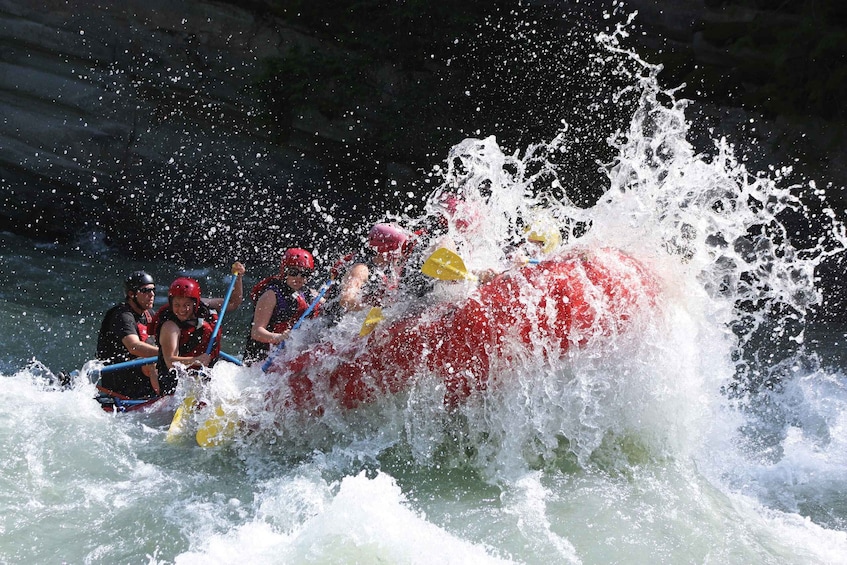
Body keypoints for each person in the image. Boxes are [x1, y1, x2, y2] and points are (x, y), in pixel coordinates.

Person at [155, 262, 245, 392]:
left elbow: (233, 303)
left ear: (195, 303)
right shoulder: (170, 326)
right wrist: (196, 360)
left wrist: (239, 278)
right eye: (177, 304)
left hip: (206, 376)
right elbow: (170, 362)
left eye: (186, 305)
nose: (181, 309)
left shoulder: (204, 307)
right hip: (177, 386)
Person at [242, 248, 320, 365]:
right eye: (293, 272)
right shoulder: (271, 295)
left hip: (287, 358)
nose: (299, 277)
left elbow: (332, 306)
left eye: (304, 274)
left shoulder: (310, 295)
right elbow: (256, 332)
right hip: (262, 360)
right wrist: (279, 337)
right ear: (285, 272)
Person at [96, 271, 161, 398]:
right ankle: (164, 398)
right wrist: (166, 355)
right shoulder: (121, 315)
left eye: (153, 290)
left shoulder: (149, 315)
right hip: (118, 378)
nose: (152, 294)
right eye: (146, 291)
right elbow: (134, 347)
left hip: (139, 376)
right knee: (153, 362)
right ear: (132, 294)